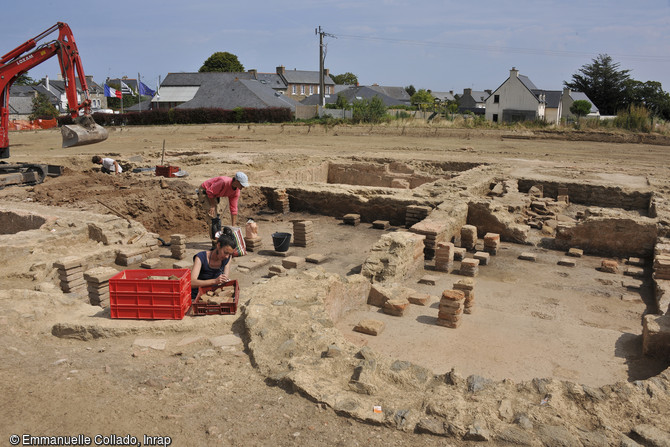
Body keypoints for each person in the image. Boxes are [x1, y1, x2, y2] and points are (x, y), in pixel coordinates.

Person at [198, 172, 249, 241]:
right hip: (205, 191)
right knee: (213, 219)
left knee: (217, 219)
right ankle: (215, 242)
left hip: (214, 194)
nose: (243, 187)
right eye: (242, 184)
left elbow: (233, 208)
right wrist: (212, 205)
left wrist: (233, 226)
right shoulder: (223, 182)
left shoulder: (236, 191)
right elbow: (209, 191)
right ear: (236, 181)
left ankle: (219, 240)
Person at [190, 227, 236, 301]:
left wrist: (225, 280)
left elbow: (225, 277)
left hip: (214, 296)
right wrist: (214, 281)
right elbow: (191, 283)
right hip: (197, 296)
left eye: (230, 254)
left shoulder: (227, 258)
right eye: (225, 252)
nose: (227, 256)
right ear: (218, 245)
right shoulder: (200, 258)